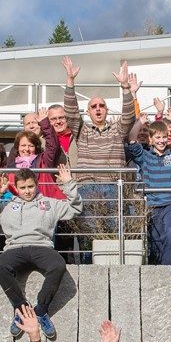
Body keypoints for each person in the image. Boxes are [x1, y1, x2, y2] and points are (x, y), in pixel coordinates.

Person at [0, 165, 83, 340]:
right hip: (15, 248)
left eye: (30, 186)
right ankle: (21, 307)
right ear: (16, 188)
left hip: (42, 247)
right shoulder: (6, 206)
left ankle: (41, 310)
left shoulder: (49, 203)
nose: (27, 191)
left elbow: (75, 209)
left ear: (37, 185)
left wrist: (69, 184)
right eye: (23, 188)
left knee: (58, 265)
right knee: (0, 266)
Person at [61, 56, 136, 236]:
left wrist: (125, 87)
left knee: (114, 233)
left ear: (107, 110)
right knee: (90, 235)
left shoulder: (117, 130)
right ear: (88, 112)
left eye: (101, 105)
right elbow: (70, 113)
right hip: (87, 187)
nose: (98, 108)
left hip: (114, 186)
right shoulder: (82, 130)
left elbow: (129, 116)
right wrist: (70, 81)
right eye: (93, 106)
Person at [126, 109, 171, 268]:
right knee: (156, 241)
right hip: (153, 204)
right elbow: (131, 139)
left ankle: (166, 270)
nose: (161, 140)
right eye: (157, 137)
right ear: (150, 139)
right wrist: (140, 123)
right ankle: (156, 271)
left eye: (164, 137)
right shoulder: (144, 156)